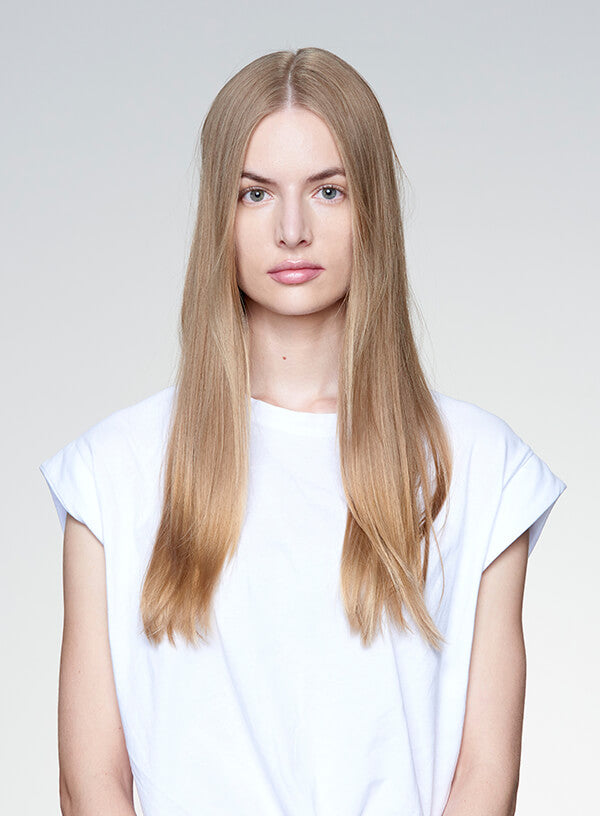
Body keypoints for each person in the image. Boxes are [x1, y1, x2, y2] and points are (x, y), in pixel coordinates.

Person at [40, 47, 566, 816]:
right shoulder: (111, 471)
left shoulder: (481, 467)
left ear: (371, 209)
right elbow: (91, 783)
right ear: (219, 217)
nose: (292, 229)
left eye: (328, 190)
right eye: (255, 194)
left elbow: (486, 777)